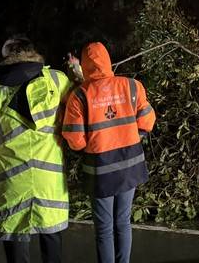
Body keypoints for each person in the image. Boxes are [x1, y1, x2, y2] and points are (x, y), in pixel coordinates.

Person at [0, 35, 71, 263]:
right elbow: (80, 108)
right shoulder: (57, 80)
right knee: (52, 239)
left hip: (11, 180)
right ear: (32, 51)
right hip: (50, 181)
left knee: (16, 243)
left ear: (6, 57)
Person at [62, 42, 156, 263]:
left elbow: (75, 140)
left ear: (84, 65)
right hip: (131, 165)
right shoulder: (132, 86)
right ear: (108, 60)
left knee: (104, 228)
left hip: (101, 169)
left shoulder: (80, 96)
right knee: (123, 221)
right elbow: (148, 121)